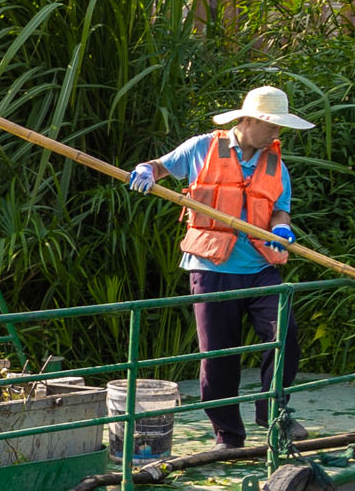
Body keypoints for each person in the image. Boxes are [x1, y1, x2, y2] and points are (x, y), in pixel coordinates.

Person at [129, 84, 313, 451]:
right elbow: (160, 167)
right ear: (249, 120)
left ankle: (273, 412)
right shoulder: (203, 147)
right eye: (271, 125)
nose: (276, 133)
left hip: (259, 266)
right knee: (218, 355)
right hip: (211, 266)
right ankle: (228, 435)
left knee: (285, 336)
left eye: (279, 126)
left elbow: (281, 209)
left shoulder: (275, 164)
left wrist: (282, 227)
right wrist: (144, 170)